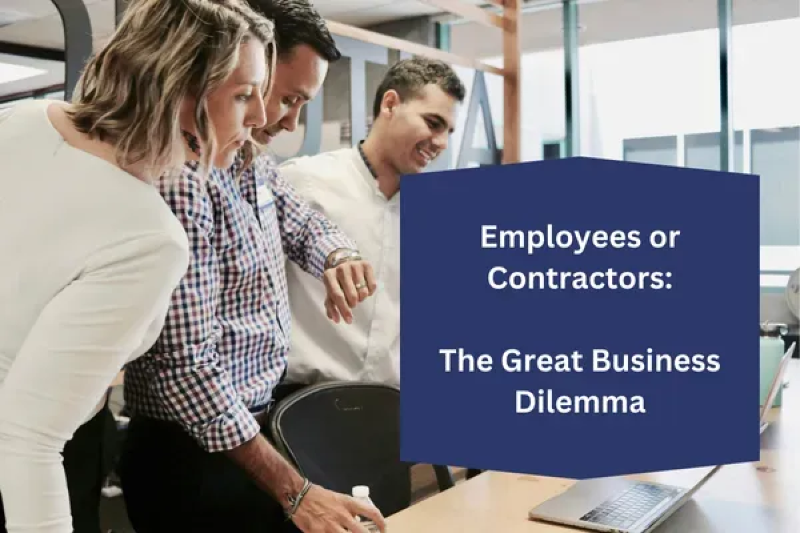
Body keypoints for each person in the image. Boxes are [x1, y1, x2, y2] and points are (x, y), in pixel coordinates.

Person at [0, 0, 277, 532]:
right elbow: (28, 438)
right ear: (179, 87)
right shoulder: (150, 237)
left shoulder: (24, 119)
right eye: (244, 95)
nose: (261, 118)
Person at [118, 1, 386, 532]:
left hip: (248, 436)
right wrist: (296, 492)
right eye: (281, 97)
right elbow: (187, 368)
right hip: (192, 452)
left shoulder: (250, 164)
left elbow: (305, 223)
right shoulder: (181, 180)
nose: (280, 120)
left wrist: (339, 255)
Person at [276, 57, 465, 393]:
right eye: (432, 123)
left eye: (449, 131)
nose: (441, 143)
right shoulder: (302, 182)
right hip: (300, 402)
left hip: (391, 410)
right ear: (390, 104)